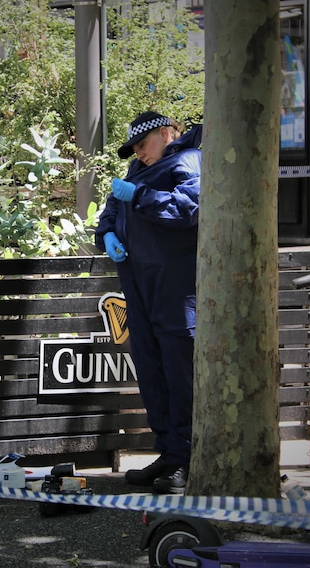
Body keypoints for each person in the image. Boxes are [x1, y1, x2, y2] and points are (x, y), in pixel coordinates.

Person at [95, 111, 202, 494]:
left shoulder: (187, 160)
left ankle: (187, 460)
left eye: (143, 144)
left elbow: (189, 209)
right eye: (135, 148)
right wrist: (107, 234)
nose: (139, 154)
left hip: (175, 290)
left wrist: (140, 195)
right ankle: (170, 452)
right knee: (153, 373)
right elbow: (110, 211)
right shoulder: (137, 169)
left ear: (165, 133)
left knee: (179, 374)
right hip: (141, 288)